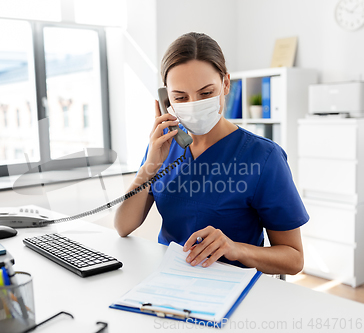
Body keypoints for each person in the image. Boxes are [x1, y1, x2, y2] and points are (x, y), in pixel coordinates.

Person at [114, 32, 308, 275]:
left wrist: (236, 248)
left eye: (205, 93)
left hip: (232, 290)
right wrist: (149, 166)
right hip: (168, 281)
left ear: (225, 84)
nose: (193, 104)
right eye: (180, 97)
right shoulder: (164, 146)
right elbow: (123, 226)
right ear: (166, 99)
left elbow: (294, 259)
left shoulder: (264, 157)